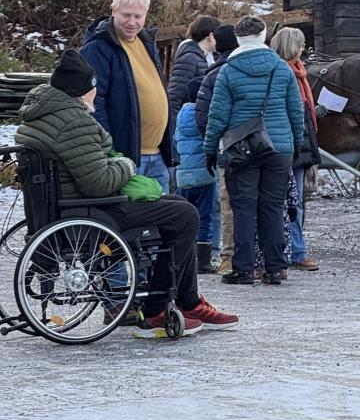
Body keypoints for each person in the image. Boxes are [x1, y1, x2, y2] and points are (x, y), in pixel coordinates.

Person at [15, 49, 238, 338]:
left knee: (176, 204)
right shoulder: (72, 122)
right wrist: (126, 164)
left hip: (66, 208)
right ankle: (163, 306)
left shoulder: (41, 116)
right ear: (84, 91)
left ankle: (187, 300)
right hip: (92, 210)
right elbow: (99, 182)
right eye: (93, 87)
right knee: (184, 214)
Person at [202, 15, 303, 286]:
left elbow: (218, 116)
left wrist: (210, 149)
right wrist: (297, 143)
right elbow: (296, 111)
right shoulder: (282, 69)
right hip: (279, 149)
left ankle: (244, 269)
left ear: (237, 38)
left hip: (241, 149)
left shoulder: (228, 71)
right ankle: (275, 268)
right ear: (264, 35)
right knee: (273, 206)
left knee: (244, 207)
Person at [82, 0, 173, 190]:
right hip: (126, 157)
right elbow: (94, 102)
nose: (132, 22)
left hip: (157, 154)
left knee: (165, 219)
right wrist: (110, 150)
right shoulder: (98, 47)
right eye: (126, 15)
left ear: (146, 14)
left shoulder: (146, 42)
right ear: (114, 10)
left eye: (138, 16)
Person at [271, 26, 321, 273]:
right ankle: (295, 250)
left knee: (296, 200)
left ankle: (293, 249)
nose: (303, 49)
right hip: (292, 146)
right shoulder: (286, 73)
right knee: (293, 201)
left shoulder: (299, 73)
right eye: (300, 45)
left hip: (300, 143)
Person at [194, 23, 238, 272]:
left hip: (227, 147)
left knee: (227, 204)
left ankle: (229, 258)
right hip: (263, 147)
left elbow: (203, 118)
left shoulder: (213, 74)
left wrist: (212, 146)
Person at [175, 76, 218, 274]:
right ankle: (204, 260)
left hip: (183, 177)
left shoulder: (180, 116)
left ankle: (184, 255)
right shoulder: (204, 116)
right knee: (205, 217)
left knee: (184, 218)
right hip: (204, 176)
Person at [166, 15, 219, 127]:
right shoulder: (189, 59)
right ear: (210, 36)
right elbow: (174, 96)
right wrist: (173, 132)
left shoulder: (204, 58)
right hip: (185, 126)